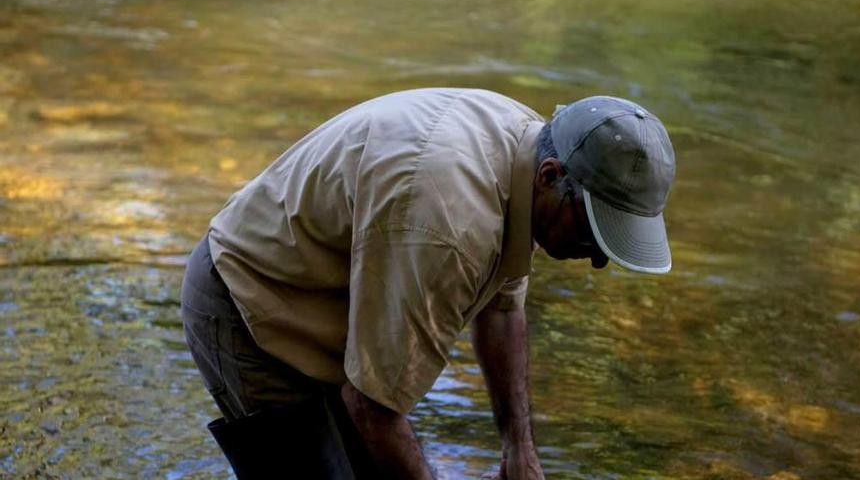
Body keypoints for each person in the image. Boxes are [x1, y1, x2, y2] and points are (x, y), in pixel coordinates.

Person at [179, 88, 675, 479]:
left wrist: (518, 450)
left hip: (332, 307)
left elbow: (502, 310)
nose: (598, 265)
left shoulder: (527, 147)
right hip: (248, 303)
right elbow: (373, 405)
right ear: (551, 176)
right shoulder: (449, 225)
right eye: (593, 235)